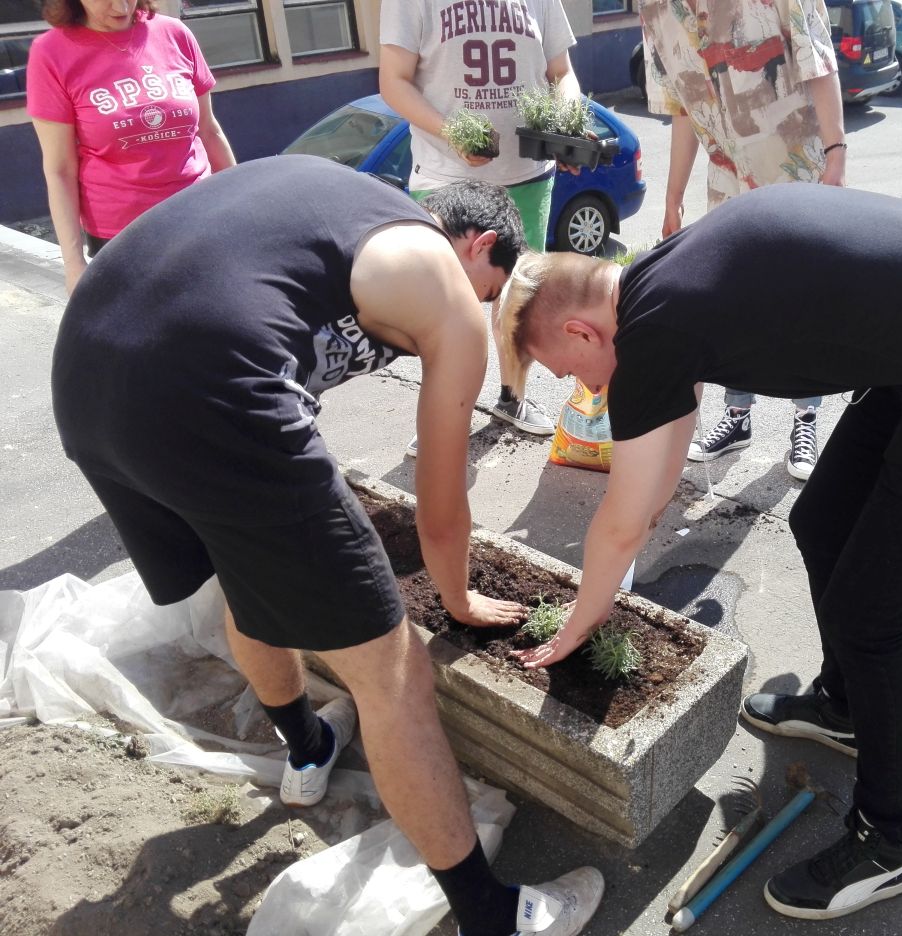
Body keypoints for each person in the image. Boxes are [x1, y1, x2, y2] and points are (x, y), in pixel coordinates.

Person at [496, 183, 902, 920]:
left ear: (583, 331)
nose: (577, 387)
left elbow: (621, 523)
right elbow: (660, 461)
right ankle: (846, 708)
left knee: (869, 613)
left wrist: (579, 624)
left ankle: (890, 840)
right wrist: (633, 534)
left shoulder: (654, 328)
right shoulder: (656, 285)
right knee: (821, 520)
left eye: (563, 368)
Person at [50, 155, 603, 936]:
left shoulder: (338, 211)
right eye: (489, 295)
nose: (480, 313)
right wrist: (458, 601)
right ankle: (493, 916)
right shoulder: (439, 280)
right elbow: (441, 509)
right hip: (205, 388)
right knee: (393, 672)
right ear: (477, 246)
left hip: (86, 380)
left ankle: (307, 751)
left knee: (243, 568)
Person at [639, 0, 848, 481]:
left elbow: (818, 60)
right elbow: (684, 106)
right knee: (731, 302)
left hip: (796, 170)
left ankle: (805, 419)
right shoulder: (656, 12)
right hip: (726, 184)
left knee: (800, 304)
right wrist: (672, 197)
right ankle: (737, 416)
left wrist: (836, 154)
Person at [379, 0, 584, 446]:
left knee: (517, 296)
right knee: (443, 303)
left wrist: (566, 126)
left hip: (527, 175)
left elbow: (561, 72)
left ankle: (513, 397)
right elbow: (393, 81)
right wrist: (451, 131)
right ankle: (441, 414)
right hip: (446, 180)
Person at [26, 0, 236, 296]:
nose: (121, 7)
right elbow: (60, 170)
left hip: (201, 218)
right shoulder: (51, 52)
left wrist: (241, 208)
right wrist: (73, 264)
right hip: (123, 238)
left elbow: (209, 131)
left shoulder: (174, 33)